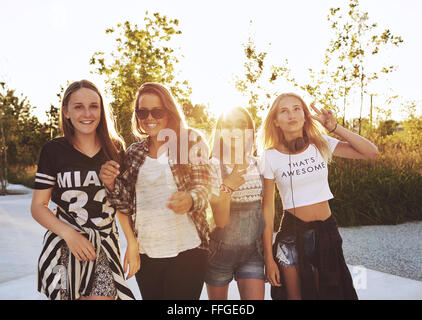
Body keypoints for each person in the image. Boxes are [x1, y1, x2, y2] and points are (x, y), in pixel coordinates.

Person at [260, 92, 378, 300]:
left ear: (305, 115)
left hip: (326, 231)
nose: (291, 115)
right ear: (276, 121)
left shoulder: (320, 143)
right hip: (292, 237)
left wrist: (334, 127)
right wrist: (269, 260)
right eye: (284, 111)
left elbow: (371, 152)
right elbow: (267, 212)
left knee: (332, 294)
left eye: (297, 109)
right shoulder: (269, 156)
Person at [99, 82, 211, 300]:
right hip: (148, 252)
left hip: (188, 249)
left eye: (157, 111)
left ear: (169, 112)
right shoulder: (133, 153)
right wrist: (111, 183)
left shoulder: (190, 141)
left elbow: (205, 186)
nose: (149, 118)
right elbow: (124, 205)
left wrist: (189, 199)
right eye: (142, 112)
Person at [31, 80, 138, 300]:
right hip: (63, 242)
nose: (87, 113)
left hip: (104, 244)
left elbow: (122, 204)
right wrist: (69, 235)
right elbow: (38, 206)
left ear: (101, 110)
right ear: (66, 112)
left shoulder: (115, 148)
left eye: (93, 106)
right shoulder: (54, 150)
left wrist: (132, 243)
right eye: (78, 106)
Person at [205, 107, 266, 300]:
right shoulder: (213, 165)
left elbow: (264, 213)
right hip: (219, 253)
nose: (234, 131)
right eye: (228, 125)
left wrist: (269, 257)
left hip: (252, 253)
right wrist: (228, 187)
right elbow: (220, 221)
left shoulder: (259, 164)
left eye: (241, 125)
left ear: (250, 131)